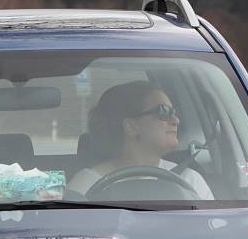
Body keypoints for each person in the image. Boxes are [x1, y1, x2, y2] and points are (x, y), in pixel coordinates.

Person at [70, 80, 213, 199]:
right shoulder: (84, 186)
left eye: (174, 112)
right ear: (131, 126)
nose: (176, 120)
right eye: (163, 111)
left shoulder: (190, 181)